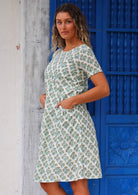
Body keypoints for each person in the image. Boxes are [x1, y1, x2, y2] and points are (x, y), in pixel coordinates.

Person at [33, 3, 110, 195]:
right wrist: (46, 97)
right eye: (59, 22)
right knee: (47, 181)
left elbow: (103, 89)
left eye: (68, 21)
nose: (63, 26)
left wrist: (73, 100)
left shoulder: (83, 51)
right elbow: (60, 84)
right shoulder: (57, 54)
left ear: (77, 24)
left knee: (77, 181)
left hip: (74, 123)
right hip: (53, 125)